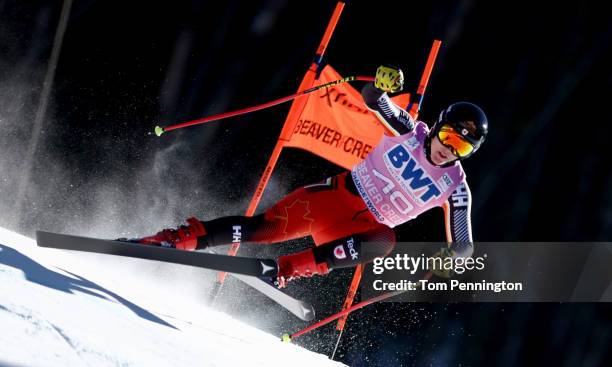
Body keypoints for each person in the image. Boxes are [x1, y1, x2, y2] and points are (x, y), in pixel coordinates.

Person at [127, 65, 488, 287]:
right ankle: (175, 239)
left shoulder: (455, 187)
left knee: (384, 239)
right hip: (332, 199)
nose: (449, 149)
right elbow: (373, 98)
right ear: (438, 127)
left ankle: (286, 269)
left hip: (358, 229)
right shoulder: (409, 130)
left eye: (462, 148)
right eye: (448, 137)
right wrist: (382, 83)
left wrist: (450, 259)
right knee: (261, 230)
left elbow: (464, 243)